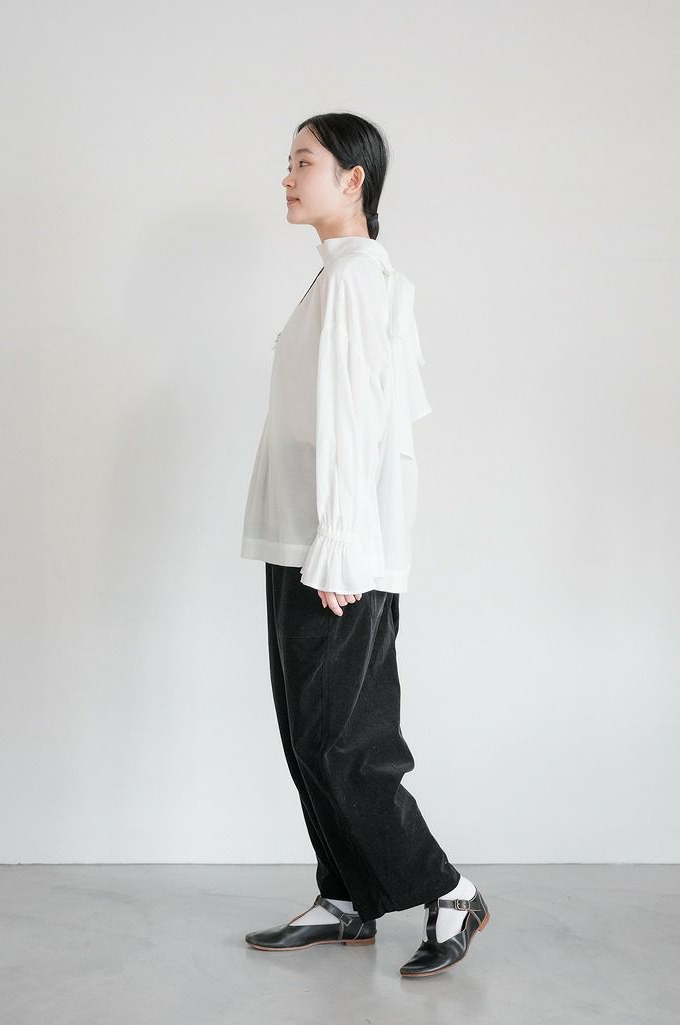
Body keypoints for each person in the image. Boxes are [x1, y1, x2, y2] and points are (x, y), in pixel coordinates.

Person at [239, 112, 490, 978]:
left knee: (346, 743)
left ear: (354, 179)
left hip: (333, 552)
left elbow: (359, 424)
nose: (287, 176)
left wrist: (343, 544)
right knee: (309, 735)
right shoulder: (339, 275)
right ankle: (347, 896)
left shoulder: (355, 278)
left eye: (303, 161)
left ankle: (448, 889)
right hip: (305, 540)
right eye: (287, 161)